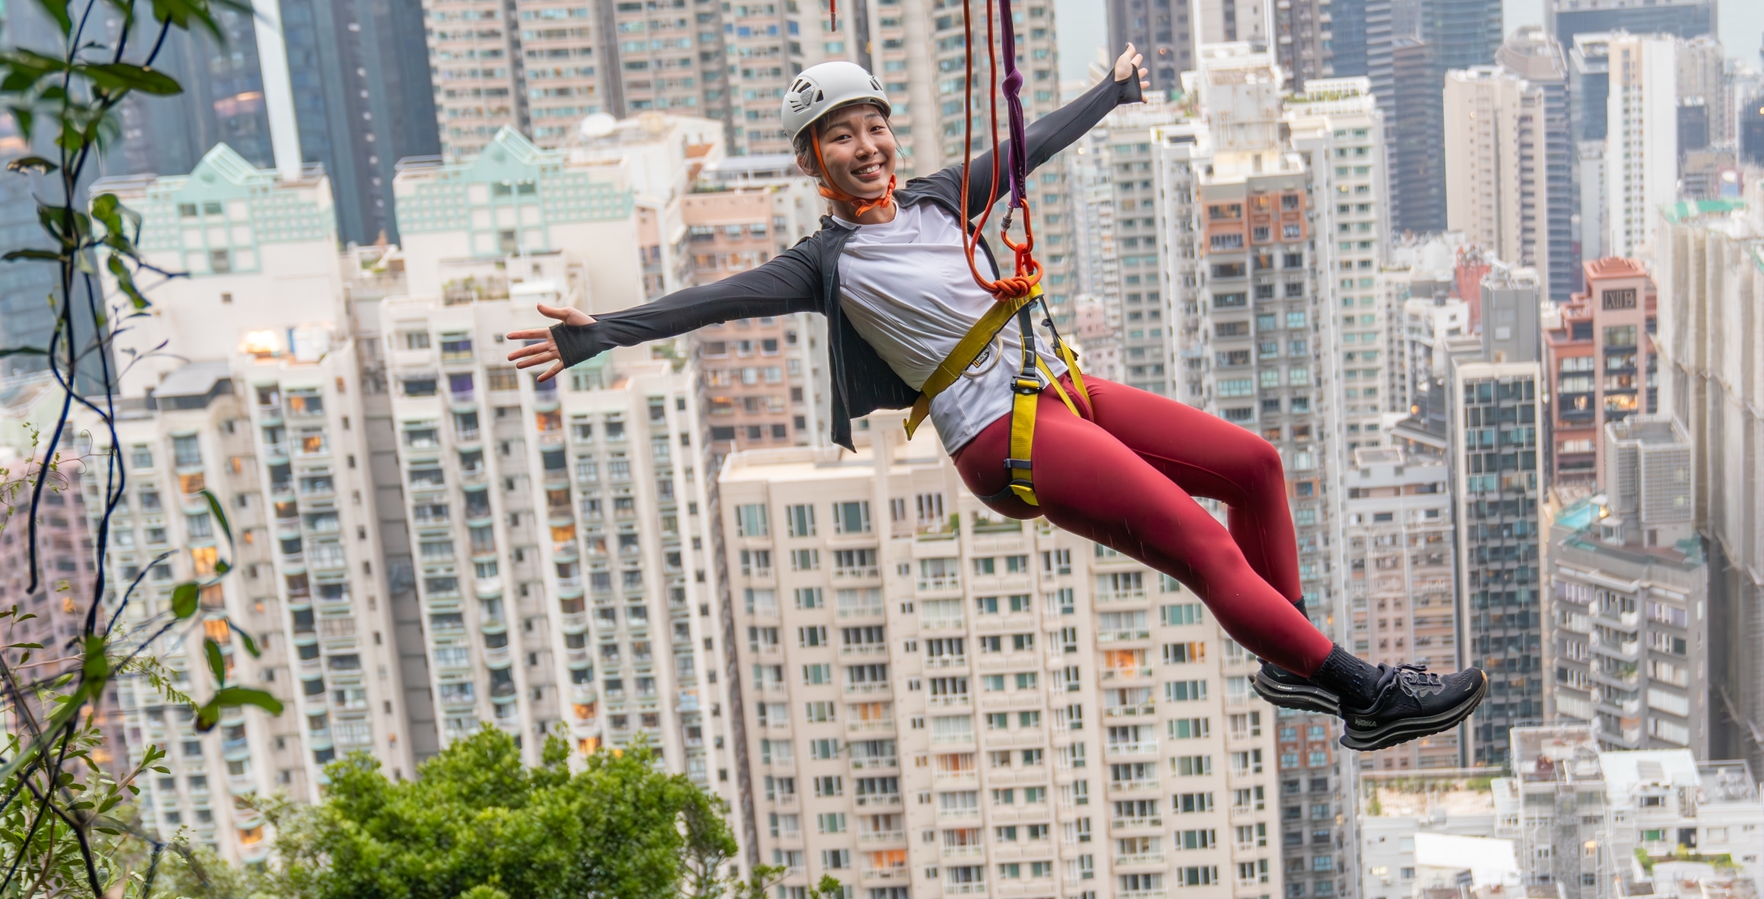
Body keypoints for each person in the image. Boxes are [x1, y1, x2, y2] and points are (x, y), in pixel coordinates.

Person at [504, 47, 1486, 753]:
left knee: (1254, 467)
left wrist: (1112, 90)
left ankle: (1289, 654)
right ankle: (1362, 691)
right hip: (1001, 434)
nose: (867, 146)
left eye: (875, 126)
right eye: (841, 136)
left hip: (1059, 387)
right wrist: (597, 334)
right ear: (812, 163)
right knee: (1204, 546)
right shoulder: (825, 264)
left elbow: (1027, 146)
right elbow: (711, 301)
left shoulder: (939, 197)